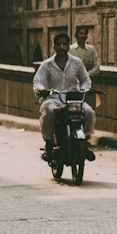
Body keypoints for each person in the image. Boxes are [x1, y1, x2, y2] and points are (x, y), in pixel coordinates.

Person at [33, 32, 95, 161]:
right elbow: (37, 81)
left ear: (68, 46)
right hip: (53, 99)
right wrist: (42, 89)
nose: (62, 47)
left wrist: (84, 90)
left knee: (89, 112)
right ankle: (49, 142)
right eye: (59, 44)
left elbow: (85, 79)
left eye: (64, 44)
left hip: (72, 99)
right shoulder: (47, 64)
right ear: (54, 46)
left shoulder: (76, 62)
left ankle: (85, 142)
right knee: (49, 112)